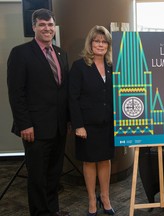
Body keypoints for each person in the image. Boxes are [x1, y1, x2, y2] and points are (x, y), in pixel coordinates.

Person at [7, 9, 70, 216]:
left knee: (53, 174)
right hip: (34, 128)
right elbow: (17, 93)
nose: (47, 28)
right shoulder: (20, 53)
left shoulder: (61, 53)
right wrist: (24, 124)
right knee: (37, 177)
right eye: (42, 25)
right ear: (33, 27)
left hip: (58, 127)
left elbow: (63, 91)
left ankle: (53, 211)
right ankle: (40, 213)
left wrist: (68, 121)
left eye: (50, 25)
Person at [69, 25, 115, 216]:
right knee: (89, 162)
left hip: (108, 124)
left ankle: (105, 197)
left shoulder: (113, 66)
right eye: (97, 41)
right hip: (87, 125)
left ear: (108, 45)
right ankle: (91, 199)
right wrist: (78, 125)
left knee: (105, 160)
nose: (100, 44)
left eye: (104, 41)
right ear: (90, 43)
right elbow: (72, 97)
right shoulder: (79, 66)